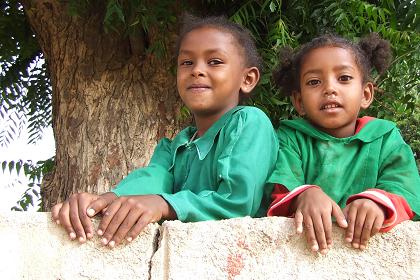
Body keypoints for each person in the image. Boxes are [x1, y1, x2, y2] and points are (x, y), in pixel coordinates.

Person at [51, 15, 278, 248]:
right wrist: (100, 202)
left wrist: (164, 205)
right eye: (187, 63)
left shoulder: (251, 122)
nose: (197, 70)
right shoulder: (177, 144)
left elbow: (239, 203)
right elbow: (154, 179)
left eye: (215, 61)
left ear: (247, 79)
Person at [267, 33, 420, 255]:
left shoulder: (385, 137)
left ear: (366, 94)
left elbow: (406, 187)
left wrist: (377, 202)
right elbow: (280, 185)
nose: (330, 88)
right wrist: (304, 195)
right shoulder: (290, 137)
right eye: (314, 82)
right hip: (306, 256)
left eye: (344, 78)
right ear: (299, 101)